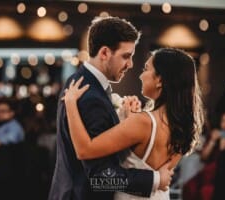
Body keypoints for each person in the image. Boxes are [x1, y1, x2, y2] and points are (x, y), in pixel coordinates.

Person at [48, 17, 174, 200]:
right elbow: (100, 178)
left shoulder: (77, 81)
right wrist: (154, 180)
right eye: (126, 56)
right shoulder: (90, 97)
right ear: (105, 53)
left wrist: (123, 117)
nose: (130, 65)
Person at [62, 47, 204, 199]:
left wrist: (70, 104)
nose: (141, 75)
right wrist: (129, 119)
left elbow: (84, 150)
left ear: (160, 80)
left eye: (146, 69)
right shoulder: (182, 126)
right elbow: (153, 165)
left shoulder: (142, 122)